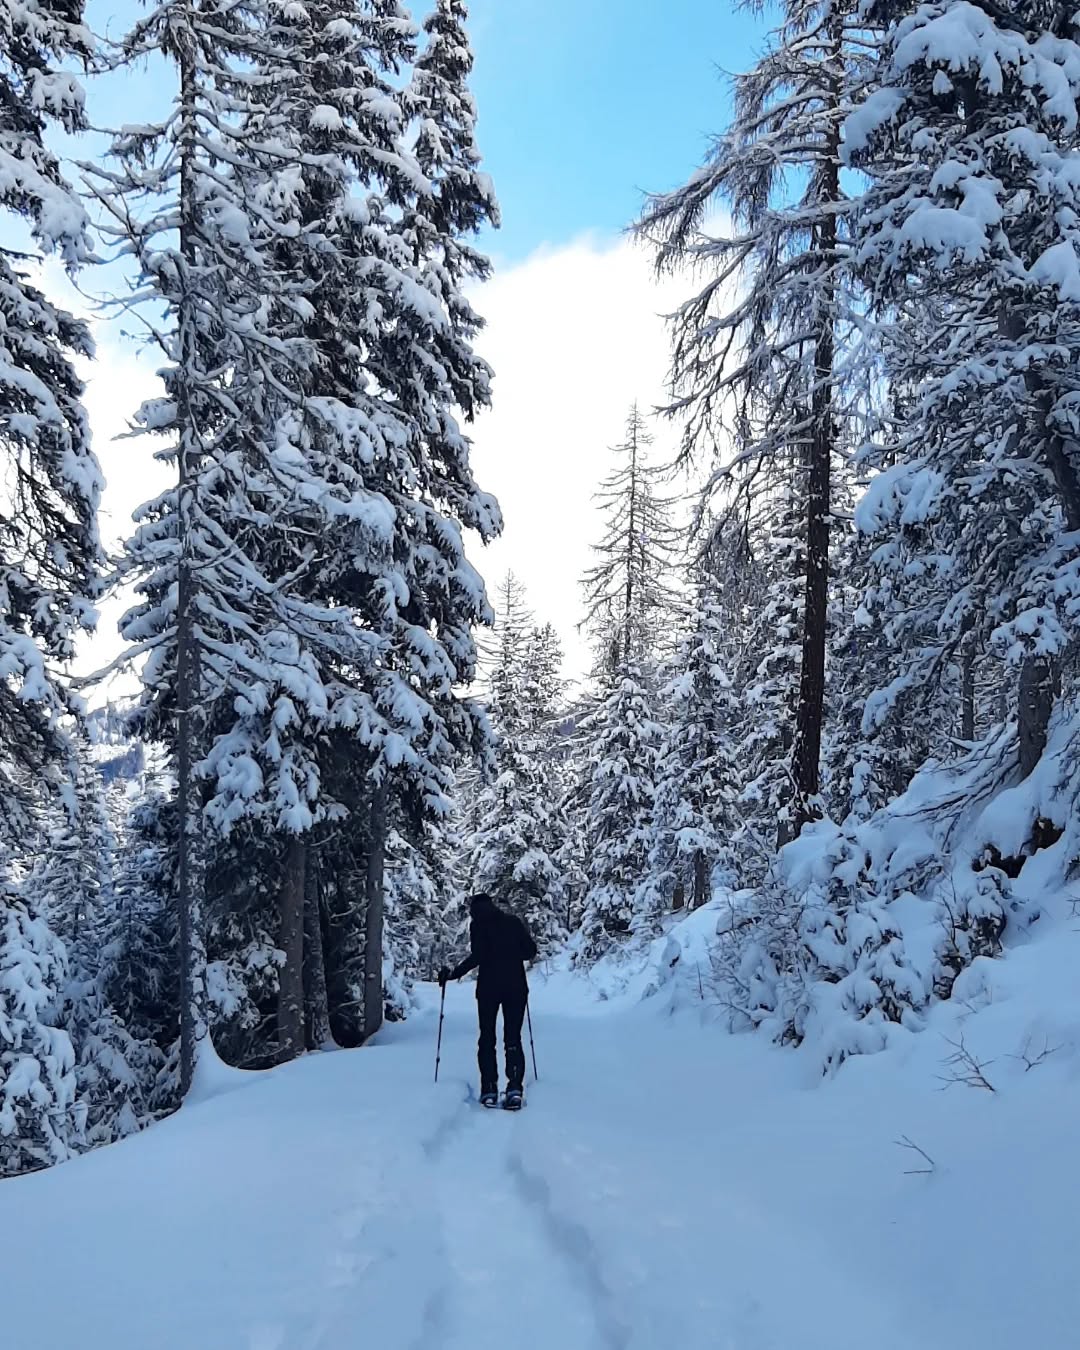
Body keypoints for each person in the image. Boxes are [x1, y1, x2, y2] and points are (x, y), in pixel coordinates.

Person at [440, 894, 538, 1108]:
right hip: (516, 988)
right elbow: (530, 951)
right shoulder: (512, 922)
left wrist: (454, 974)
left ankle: (489, 1089)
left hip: (488, 989)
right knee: (513, 1039)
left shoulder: (478, 926)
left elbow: (478, 956)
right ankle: (514, 1089)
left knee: (487, 1038)